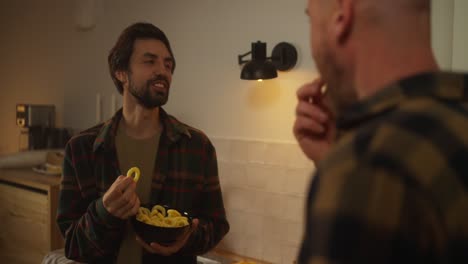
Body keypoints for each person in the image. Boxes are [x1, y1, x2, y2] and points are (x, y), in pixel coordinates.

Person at [294, 0, 468, 263]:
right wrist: (333, 155)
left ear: (342, 15)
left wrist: (345, 168)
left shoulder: (367, 163)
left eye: (311, 19)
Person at [57, 22, 229, 264]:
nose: (163, 71)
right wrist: (104, 212)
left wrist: (186, 238)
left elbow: (217, 225)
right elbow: (72, 245)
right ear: (121, 72)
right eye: (150, 62)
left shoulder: (197, 147)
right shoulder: (81, 149)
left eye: (168, 64)